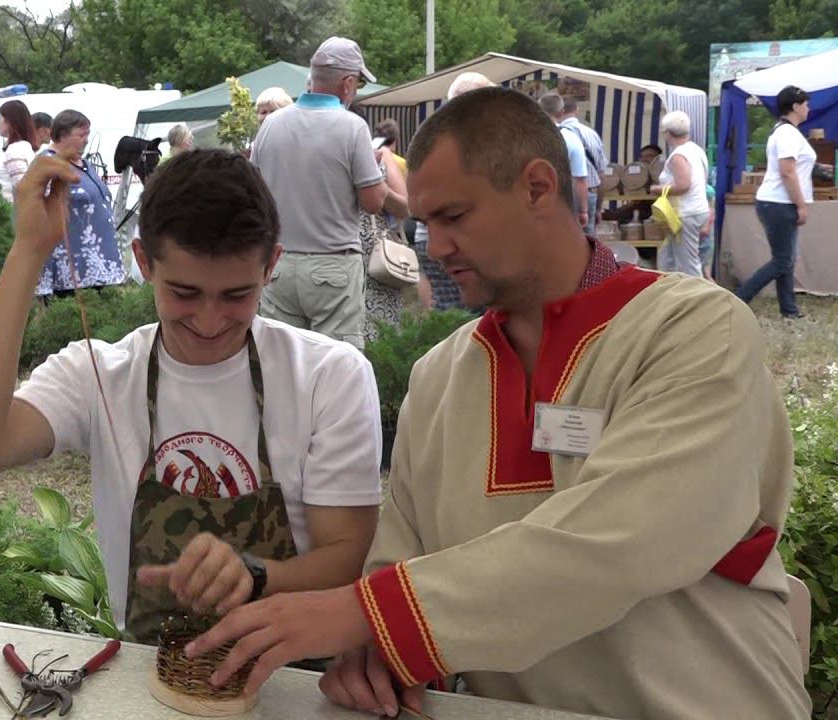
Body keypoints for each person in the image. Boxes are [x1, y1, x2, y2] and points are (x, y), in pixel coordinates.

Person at [184, 88, 810, 720]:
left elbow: (625, 538)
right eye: (426, 224)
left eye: (455, 217)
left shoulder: (695, 329)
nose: (436, 245)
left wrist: (363, 614)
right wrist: (378, 655)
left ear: (538, 187)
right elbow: (398, 555)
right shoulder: (440, 376)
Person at [0, 149, 382, 643]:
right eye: (185, 293)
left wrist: (257, 576)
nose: (210, 322)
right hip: (151, 675)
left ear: (272, 264)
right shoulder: (100, 373)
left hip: (292, 674)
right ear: (143, 260)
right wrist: (29, 251)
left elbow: (345, 557)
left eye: (237, 295)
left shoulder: (328, 376)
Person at [252, 37, 391, 349]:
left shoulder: (271, 125)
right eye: (357, 84)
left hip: (278, 263)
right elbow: (373, 202)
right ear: (347, 83)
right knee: (337, 366)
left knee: (281, 363)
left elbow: (254, 195)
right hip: (333, 266)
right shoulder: (352, 127)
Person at [409, 75, 494, 312]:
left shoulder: (430, 136)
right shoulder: (476, 140)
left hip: (428, 236)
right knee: (473, 312)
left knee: (447, 312)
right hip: (459, 237)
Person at [735, 86, 815, 319]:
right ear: (795, 106)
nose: (808, 108)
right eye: (806, 104)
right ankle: (740, 298)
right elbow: (787, 171)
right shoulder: (788, 134)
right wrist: (801, 205)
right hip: (780, 203)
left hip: (776, 202)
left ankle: (789, 310)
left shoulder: (783, 131)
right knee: (782, 261)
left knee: (786, 260)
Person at [35, 110, 125, 298]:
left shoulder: (84, 163)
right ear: (62, 135)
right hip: (74, 271)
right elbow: (39, 212)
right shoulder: (48, 163)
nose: (86, 140)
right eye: (81, 135)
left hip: (102, 266)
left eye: (88, 135)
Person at [359, 141, 411, 341]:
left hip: (375, 257)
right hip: (332, 258)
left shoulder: (381, 156)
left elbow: (404, 207)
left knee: (379, 333)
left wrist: (376, 187)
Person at [650, 110, 709, 277]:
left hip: (685, 213)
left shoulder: (678, 156)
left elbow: (684, 185)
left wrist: (657, 189)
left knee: (688, 263)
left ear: (668, 133)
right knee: (669, 257)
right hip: (697, 209)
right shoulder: (696, 150)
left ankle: (699, 297)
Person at [540, 93, 590, 231]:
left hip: (531, 203)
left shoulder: (525, 137)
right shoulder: (571, 138)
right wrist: (583, 210)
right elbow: (580, 180)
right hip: (563, 203)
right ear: (561, 111)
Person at [558, 97, 606, 234]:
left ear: (560, 111)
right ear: (577, 111)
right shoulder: (592, 135)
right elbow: (601, 175)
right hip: (588, 195)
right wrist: (598, 209)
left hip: (560, 196)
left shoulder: (552, 134)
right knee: (587, 245)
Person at [0, 100, 39, 204]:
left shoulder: (15, 150)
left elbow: (21, 189)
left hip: (12, 213)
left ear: (9, 121)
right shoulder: (23, 147)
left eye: (0, 118)